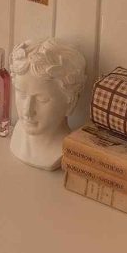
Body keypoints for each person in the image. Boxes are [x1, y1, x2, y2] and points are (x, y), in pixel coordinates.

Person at [9, 38, 86, 170]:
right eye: (21, 94)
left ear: (71, 103)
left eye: (42, 99)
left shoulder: (64, 149)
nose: (28, 111)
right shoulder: (17, 134)